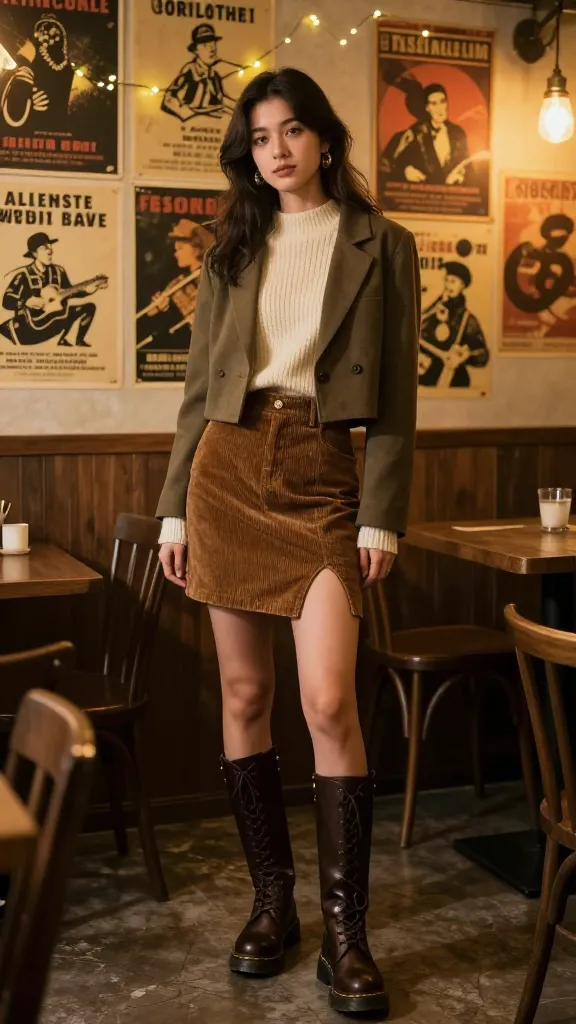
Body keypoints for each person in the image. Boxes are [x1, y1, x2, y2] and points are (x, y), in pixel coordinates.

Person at [157, 67, 420, 1015]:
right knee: (244, 689)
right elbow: (196, 389)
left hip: (322, 478)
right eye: (261, 135)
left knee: (327, 697)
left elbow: (395, 397)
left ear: (325, 139)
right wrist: (173, 508)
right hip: (226, 468)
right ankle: (275, 905)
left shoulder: (384, 243)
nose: (277, 148)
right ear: (250, 150)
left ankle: (349, 934)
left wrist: (382, 510)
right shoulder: (233, 243)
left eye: (294, 129)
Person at [0, 232, 106, 347]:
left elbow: (68, 293)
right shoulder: (23, 275)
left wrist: (87, 290)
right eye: (44, 248)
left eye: (50, 246)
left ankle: (76, 341)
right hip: (30, 329)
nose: (50, 251)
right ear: (34, 253)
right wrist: (26, 301)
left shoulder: (59, 271)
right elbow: (7, 301)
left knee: (89, 307)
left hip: (54, 323)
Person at [143, 219, 214, 348]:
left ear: (197, 249)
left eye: (180, 249)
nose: (175, 254)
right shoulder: (176, 284)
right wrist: (158, 310)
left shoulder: (215, 277)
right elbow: (152, 324)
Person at [382, 82, 470, 186]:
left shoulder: (458, 133)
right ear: (427, 108)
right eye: (434, 103)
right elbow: (391, 166)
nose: (440, 108)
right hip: (422, 196)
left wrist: (463, 175)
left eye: (443, 101)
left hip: (453, 197)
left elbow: (469, 166)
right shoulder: (414, 135)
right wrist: (405, 172)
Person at [419, 261, 488, 388]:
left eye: (453, 281)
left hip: (452, 381)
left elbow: (483, 355)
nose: (447, 285)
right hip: (424, 378)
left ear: (462, 285)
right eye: (446, 280)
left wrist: (466, 354)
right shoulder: (432, 310)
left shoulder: (467, 319)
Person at [0, 14, 74, 134]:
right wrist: (28, 98)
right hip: (27, 122)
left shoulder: (65, 64)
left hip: (53, 123)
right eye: (43, 28)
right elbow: (13, 85)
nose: (47, 32)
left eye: (53, 28)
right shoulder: (30, 52)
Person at [161, 23, 235, 121]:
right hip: (193, 122)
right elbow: (169, 97)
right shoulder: (190, 70)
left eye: (213, 44)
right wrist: (186, 114)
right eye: (205, 45)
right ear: (196, 50)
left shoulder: (214, 76)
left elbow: (221, 99)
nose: (212, 49)